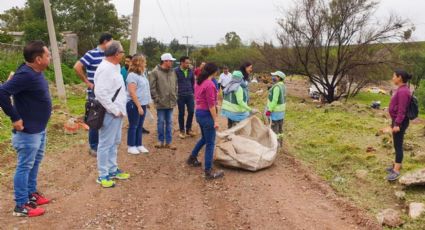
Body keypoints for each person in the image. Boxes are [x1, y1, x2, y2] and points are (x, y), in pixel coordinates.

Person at [0, 41, 52, 217]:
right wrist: (15, 117)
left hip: (39, 129)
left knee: (34, 163)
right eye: (48, 55)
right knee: (25, 166)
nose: (50, 57)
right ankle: (21, 205)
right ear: (38, 59)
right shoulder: (26, 75)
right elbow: (2, 93)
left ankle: (31, 195)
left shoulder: (32, 71)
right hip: (28, 131)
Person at [94, 41, 130, 188]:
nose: (123, 55)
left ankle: (113, 169)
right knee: (105, 144)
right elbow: (100, 93)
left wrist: (120, 110)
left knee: (114, 142)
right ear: (116, 54)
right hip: (110, 113)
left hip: (118, 112)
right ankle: (103, 175)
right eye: (122, 52)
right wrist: (114, 110)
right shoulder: (105, 69)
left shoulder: (115, 67)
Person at [74, 33, 113, 157]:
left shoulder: (109, 55)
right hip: (95, 93)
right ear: (105, 41)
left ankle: (103, 145)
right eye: (111, 41)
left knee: (106, 120)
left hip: (108, 93)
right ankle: (94, 147)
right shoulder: (92, 54)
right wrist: (87, 82)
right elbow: (77, 67)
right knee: (95, 119)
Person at [187, 62, 224, 180]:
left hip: (199, 113)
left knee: (204, 138)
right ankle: (208, 171)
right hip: (207, 115)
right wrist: (216, 120)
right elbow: (211, 105)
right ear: (214, 71)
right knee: (210, 143)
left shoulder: (199, 82)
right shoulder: (210, 84)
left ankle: (192, 157)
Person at [386, 70, 412, 181]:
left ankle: (396, 171)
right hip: (397, 121)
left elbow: (402, 110)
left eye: (394, 76)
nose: (392, 78)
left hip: (399, 122)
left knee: (398, 145)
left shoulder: (403, 91)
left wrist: (397, 124)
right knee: (396, 144)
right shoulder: (401, 89)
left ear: (399, 77)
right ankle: (396, 165)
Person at [149, 53, 178, 150]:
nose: (172, 62)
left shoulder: (173, 72)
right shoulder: (155, 72)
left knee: (169, 122)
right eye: (170, 61)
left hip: (170, 102)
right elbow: (152, 87)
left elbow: (176, 85)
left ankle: (169, 142)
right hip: (160, 102)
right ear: (165, 61)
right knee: (160, 121)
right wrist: (157, 99)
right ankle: (160, 141)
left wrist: (175, 96)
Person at [126, 55, 151, 155]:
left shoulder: (142, 74)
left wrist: (147, 102)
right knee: (134, 125)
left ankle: (139, 144)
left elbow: (145, 89)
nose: (145, 64)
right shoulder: (132, 75)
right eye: (144, 62)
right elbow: (132, 92)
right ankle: (131, 146)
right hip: (134, 104)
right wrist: (139, 106)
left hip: (143, 103)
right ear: (139, 63)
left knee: (140, 125)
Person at [175, 56, 196, 139]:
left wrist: (193, 93)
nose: (188, 64)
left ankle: (188, 129)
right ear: (182, 63)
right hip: (180, 95)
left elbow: (193, 82)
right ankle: (181, 131)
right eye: (187, 63)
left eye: (189, 63)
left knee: (191, 111)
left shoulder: (191, 71)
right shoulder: (175, 71)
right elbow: (174, 83)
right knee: (181, 113)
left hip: (190, 95)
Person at [265, 71, 287, 146]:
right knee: (280, 129)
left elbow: (274, 101)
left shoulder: (277, 87)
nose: (273, 77)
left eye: (275, 76)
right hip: (281, 112)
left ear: (279, 78)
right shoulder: (282, 85)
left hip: (275, 112)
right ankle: (280, 144)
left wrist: (269, 110)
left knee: (274, 130)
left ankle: (275, 146)